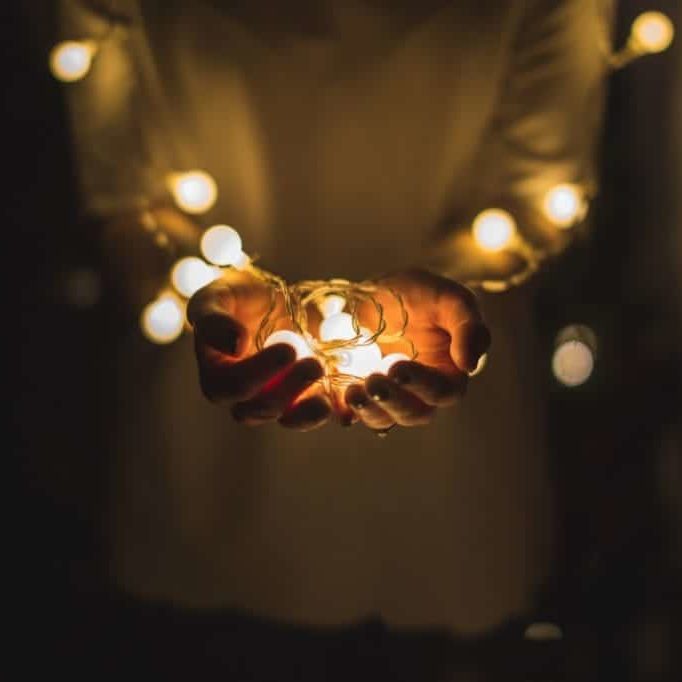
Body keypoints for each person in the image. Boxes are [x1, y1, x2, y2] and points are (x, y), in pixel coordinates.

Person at [48, 0, 613, 678]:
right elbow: (123, 197)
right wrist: (192, 286)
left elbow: (540, 194)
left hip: (445, 501)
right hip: (202, 482)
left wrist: (457, 289)